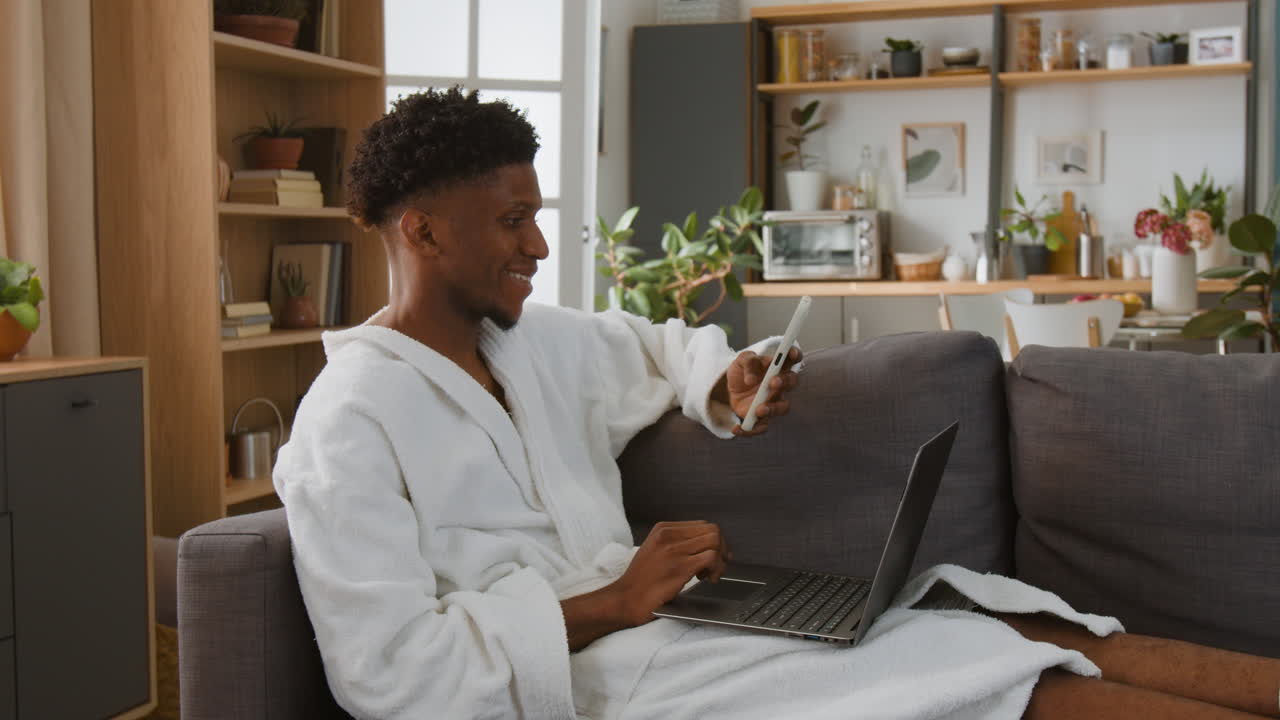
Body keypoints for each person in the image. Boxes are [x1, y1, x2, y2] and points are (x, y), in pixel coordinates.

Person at [274, 87, 1280, 720]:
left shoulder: (538, 343)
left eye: (537, 217)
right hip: (603, 681)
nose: (538, 247)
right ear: (423, 233)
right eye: (512, 220)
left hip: (683, 628)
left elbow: (656, 346)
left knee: (1026, 633)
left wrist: (723, 379)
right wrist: (608, 602)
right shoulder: (347, 425)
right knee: (1001, 687)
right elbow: (388, 677)